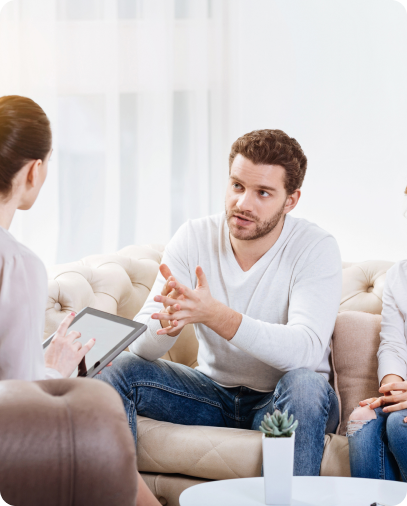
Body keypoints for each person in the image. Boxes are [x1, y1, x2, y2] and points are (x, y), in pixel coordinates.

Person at [99, 128, 343, 476]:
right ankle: (120, 497)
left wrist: (216, 315)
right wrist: (168, 323)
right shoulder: (193, 236)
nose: (243, 204)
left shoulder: (315, 247)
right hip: (211, 393)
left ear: (291, 200)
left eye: (263, 193)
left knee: (305, 383)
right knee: (116, 370)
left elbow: (304, 351)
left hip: (283, 398)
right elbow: (142, 347)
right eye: (237, 186)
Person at [0, 95, 160, 506]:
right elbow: (18, 402)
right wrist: (56, 369)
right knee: (104, 438)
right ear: (35, 171)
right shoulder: (17, 263)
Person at [347, 187, 407, 482]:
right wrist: (393, 387)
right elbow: (393, 344)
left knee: (401, 424)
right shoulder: (399, 275)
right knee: (362, 419)